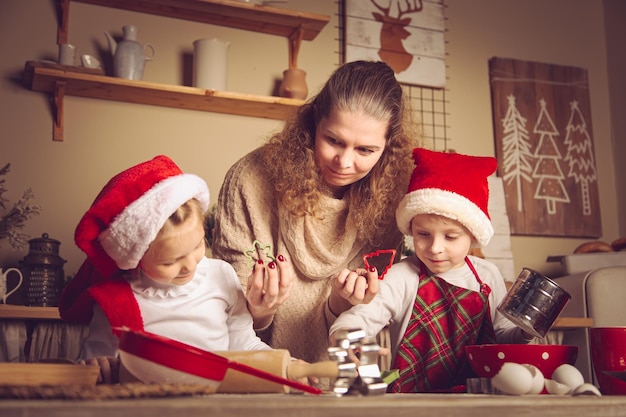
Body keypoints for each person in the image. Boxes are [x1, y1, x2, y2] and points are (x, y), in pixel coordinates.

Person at [211, 60, 420, 370]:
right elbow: (228, 322)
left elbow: (364, 320)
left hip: (338, 373)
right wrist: (260, 308)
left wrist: (342, 303)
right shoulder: (250, 179)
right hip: (260, 372)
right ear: (313, 123)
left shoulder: (391, 197)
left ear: (388, 148)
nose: (344, 162)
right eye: (333, 140)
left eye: (365, 150)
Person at [329, 148, 534, 393]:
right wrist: (348, 337)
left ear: (472, 235)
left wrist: (524, 332)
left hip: (480, 401)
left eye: (450, 236)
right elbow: (357, 318)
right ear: (411, 229)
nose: (435, 248)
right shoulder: (403, 276)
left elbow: (501, 339)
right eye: (423, 234)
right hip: (414, 403)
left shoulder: (487, 276)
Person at [59, 155, 270, 383]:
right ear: (136, 258)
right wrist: (96, 365)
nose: (190, 265)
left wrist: (284, 364)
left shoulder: (221, 276)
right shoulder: (116, 300)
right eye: (170, 262)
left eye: (199, 245)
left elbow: (245, 345)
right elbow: (96, 359)